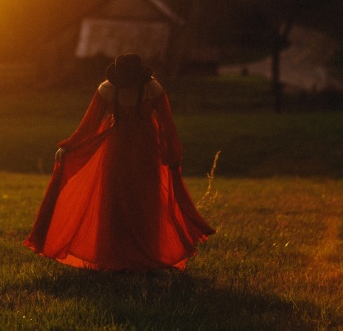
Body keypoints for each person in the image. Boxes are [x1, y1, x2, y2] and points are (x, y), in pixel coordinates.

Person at [24, 53, 214, 271]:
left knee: (140, 200)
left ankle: (141, 256)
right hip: (132, 149)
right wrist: (69, 146)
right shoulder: (129, 89)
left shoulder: (138, 89)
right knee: (120, 200)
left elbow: (91, 126)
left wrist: (171, 153)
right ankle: (115, 256)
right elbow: (90, 126)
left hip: (135, 150)